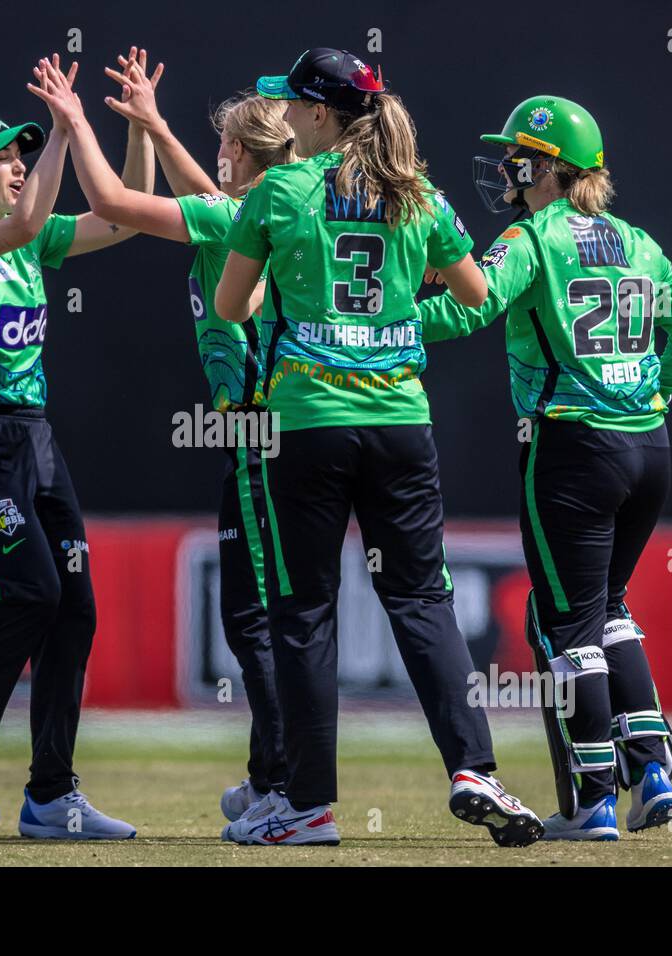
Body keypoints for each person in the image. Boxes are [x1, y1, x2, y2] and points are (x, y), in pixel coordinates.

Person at [213, 48, 543, 848]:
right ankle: (474, 767)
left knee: (304, 613)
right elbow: (475, 293)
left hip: (308, 426)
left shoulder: (281, 190)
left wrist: (295, 293)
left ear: (322, 115)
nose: (285, 117)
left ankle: (308, 807)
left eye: (294, 105)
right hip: (401, 421)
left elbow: (232, 305)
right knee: (423, 599)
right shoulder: (416, 195)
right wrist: (388, 320)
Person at [419, 95, 672, 839]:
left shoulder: (532, 236)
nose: (504, 171)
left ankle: (591, 803)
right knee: (609, 608)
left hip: (572, 450)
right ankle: (651, 773)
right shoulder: (636, 240)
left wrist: (387, 324)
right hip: (649, 446)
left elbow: (469, 307)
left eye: (514, 158)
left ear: (542, 167)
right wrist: (653, 390)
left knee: (565, 626)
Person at [27, 51, 295, 823]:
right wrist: (153, 123)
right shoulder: (259, 214)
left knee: (254, 621)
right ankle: (273, 773)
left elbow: (114, 198)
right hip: (283, 434)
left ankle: (283, 784)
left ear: (238, 152)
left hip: (255, 435)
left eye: (226, 142)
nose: (216, 154)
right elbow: (203, 196)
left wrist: (77, 124)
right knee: (278, 616)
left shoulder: (234, 216)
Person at [0, 54, 154, 840]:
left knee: (75, 607)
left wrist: (134, 127)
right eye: (3, 157)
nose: (18, 166)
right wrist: (60, 129)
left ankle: (53, 797)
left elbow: (122, 216)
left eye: (24, 154)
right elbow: (19, 222)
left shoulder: (30, 242)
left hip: (37, 439)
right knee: (31, 594)